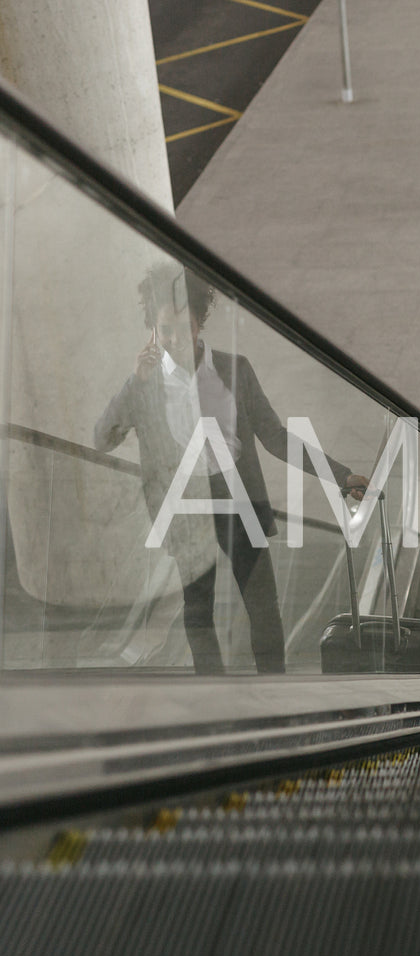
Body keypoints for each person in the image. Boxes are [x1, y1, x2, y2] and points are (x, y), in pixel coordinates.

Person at [95, 264, 369, 673]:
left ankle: (272, 694)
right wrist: (136, 380)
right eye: (163, 330)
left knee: (263, 608)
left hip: (240, 499)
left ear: (199, 321)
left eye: (182, 327)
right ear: (152, 328)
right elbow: (104, 438)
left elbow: (276, 438)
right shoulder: (145, 384)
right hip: (186, 507)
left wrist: (341, 476)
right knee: (198, 611)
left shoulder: (235, 370)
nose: (173, 341)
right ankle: (215, 698)